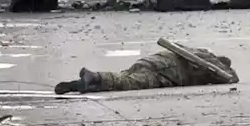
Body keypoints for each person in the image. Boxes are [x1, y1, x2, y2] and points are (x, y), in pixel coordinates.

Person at [54, 47, 236, 94]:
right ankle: (94, 77)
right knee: (128, 82)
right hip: (165, 71)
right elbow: (232, 78)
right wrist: (225, 69)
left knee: (123, 78)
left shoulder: (196, 52)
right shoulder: (209, 59)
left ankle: (86, 84)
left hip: (153, 62)